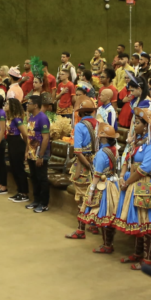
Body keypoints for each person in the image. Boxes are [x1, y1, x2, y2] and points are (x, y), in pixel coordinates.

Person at [114, 108, 151, 268]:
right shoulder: (137, 140)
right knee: (137, 221)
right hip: (132, 181)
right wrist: (122, 176)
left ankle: (147, 260)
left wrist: (127, 182)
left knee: (147, 223)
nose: (133, 125)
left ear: (146, 126)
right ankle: (137, 254)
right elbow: (127, 158)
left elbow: (145, 168)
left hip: (146, 185)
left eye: (136, 123)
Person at [82, 123, 122, 254]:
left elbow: (97, 174)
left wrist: (91, 190)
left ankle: (107, 244)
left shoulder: (101, 154)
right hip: (113, 184)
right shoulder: (114, 150)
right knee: (110, 215)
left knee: (104, 215)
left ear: (104, 139)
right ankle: (108, 243)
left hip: (103, 186)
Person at [64, 99, 99, 238]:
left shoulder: (79, 126)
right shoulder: (100, 124)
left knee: (82, 198)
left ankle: (80, 230)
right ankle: (94, 225)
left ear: (81, 113)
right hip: (98, 163)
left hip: (84, 166)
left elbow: (78, 151)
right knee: (95, 195)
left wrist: (88, 166)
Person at [21, 95, 52, 213]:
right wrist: (26, 151)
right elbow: (29, 136)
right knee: (33, 177)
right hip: (31, 152)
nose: (27, 105)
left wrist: (41, 156)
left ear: (35, 105)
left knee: (41, 178)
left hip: (40, 153)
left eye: (29, 103)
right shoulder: (31, 118)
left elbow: (45, 138)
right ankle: (36, 200)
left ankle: (44, 203)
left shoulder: (42, 118)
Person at [4, 98, 30, 204]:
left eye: (7, 104)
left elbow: (25, 134)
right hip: (11, 142)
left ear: (13, 106)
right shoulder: (9, 118)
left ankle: (24, 193)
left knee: (19, 168)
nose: (5, 105)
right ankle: (19, 191)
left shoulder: (17, 119)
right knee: (13, 168)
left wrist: (26, 149)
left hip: (17, 143)